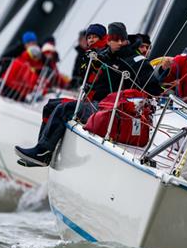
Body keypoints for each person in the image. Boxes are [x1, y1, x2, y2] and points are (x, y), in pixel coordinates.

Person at [14, 22, 152, 167]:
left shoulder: (123, 58)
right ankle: (42, 152)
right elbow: (84, 71)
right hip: (94, 101)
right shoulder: (103, 54)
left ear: (122, 40)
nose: (91, 40)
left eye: (116, 39)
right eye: (89, 37)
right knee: (50, 105)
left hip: (106, 107)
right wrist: (91, 59)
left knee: (64, 109)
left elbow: (151, 87)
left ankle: (43, 152)